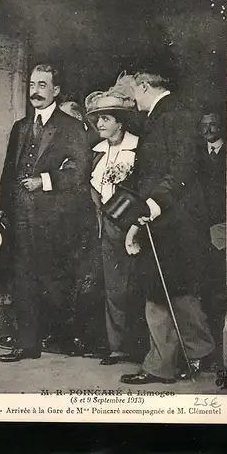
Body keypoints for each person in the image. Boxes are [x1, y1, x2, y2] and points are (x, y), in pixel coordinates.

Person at [117, 71, 215, 384]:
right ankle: (171, 362)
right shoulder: (163, 115)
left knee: (173, 291)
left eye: (133, 91)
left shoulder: (175, 114)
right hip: (164, 218)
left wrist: (152, 206)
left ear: (145, 86)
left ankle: (191, 357)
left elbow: (181, 170)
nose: (132, 99)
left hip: (175, 221)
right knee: (162, 291)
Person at [0, 63, 94, 362]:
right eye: (32, 85)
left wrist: (45, 181)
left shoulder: (72, 127)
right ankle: (27, 344)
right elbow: (9, 171)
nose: (35, 91)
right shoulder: (20, 126)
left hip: (56, 217)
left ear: (56, 90)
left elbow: (80, 171)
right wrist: (1, 205)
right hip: (21, 215)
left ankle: (64, 337)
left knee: (55, 279)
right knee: (23, 277)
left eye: (42, 85)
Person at [85, 90, 145, 365]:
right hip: (107, 226)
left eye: (105, 119)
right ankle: (117, 347)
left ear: (120, 122)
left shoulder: (139, 148)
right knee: (114, 287)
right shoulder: (96, 153)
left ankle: (144, 347)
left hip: (135, 226)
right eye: (97, 119)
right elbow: (92, 187)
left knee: (139, 286)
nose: (99, 124)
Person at [196, 111, 227, 368]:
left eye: (213, 124)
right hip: (199, 227)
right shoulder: (196, 154)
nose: (209, 129)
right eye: (204, 126)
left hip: (222, 227)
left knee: (219, 289)